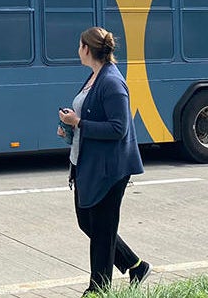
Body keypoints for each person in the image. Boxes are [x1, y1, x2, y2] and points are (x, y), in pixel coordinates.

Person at [58, 27, 150, 296]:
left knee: (101, 229)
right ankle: (135, 265)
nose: (77, 50)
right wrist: (70, 125)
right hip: (86, 163)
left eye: (79, 46)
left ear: (87, 49)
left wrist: (79, 122)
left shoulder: (112, 82)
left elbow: (118, 128)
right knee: (88, 223)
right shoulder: (94, 76)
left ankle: (98, 289)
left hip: (109, 169)